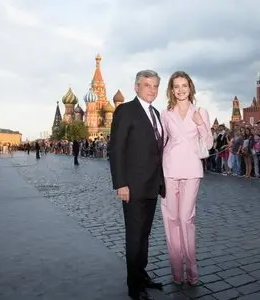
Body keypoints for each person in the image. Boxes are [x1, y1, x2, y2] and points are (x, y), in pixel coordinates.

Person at [109, 69, 166, 300]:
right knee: (134, 237)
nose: (151, 90)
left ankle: (141, 275)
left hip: (152, 186)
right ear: (136, 87)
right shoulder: (126, 110)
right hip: (132, 187)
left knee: (144, 235)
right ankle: (134, 287)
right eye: (146, 85)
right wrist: (121, 184)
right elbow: (117, 149)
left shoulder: (156, 113)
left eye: (154, 86)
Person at [160, 71, 213, 285]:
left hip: (191, 170)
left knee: (186, 219)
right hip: (169, 169)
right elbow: (161, 141)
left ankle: (192, 271)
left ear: (190, 87)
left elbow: (208, 143)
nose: (181, 90)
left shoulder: (200, 111)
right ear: (171, 90)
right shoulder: (165, 113)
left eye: (184, 85)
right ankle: (176, 272)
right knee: (170, 220)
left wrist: (200, 123)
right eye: (176, 86)